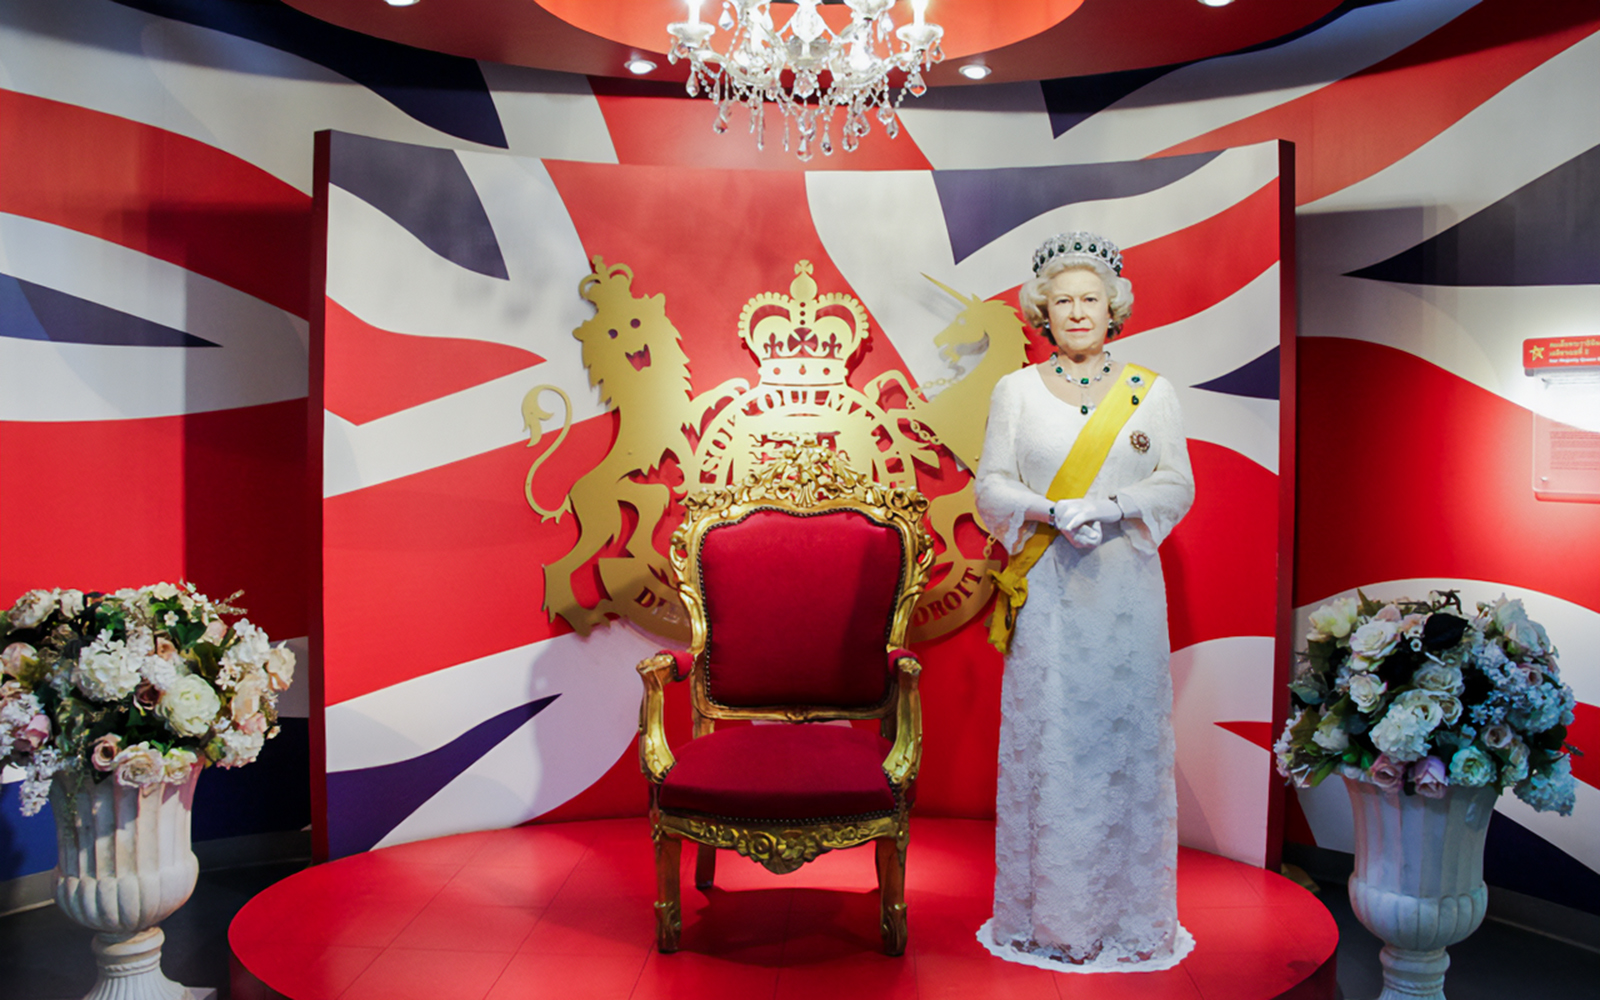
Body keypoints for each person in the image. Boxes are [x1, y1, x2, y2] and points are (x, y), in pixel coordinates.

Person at [974, 231, 1196, 971]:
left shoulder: (1150, 392)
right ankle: (1050, 917)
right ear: (1042, 310)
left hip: (1125, 597)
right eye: (1062, 300)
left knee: (1123, 747)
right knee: (1054, 747)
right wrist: (1044, 511)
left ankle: (1132, 919)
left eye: (1089, 300)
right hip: (1047, 598)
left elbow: (1176, 484)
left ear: (1113, 308)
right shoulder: (1015, 390)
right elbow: (991, 485)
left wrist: (1111, 502)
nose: (1076, 312)